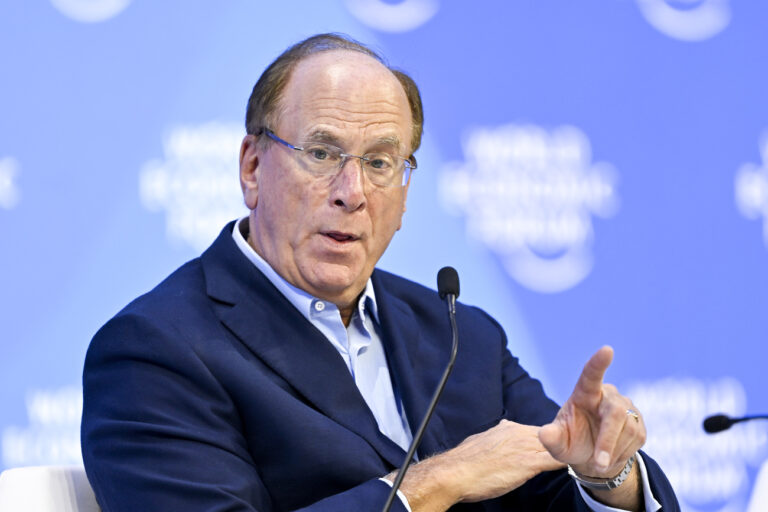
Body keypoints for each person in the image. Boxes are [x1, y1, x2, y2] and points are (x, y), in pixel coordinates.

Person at [81, 34, 679, 511]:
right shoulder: (153, 352)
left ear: (405, 190)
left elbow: (555, 486)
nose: (352, 192)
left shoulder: (461, 337)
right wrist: (433, 484)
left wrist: (608, 476)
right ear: (253, 167)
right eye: (321, 154)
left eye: (379, 163)